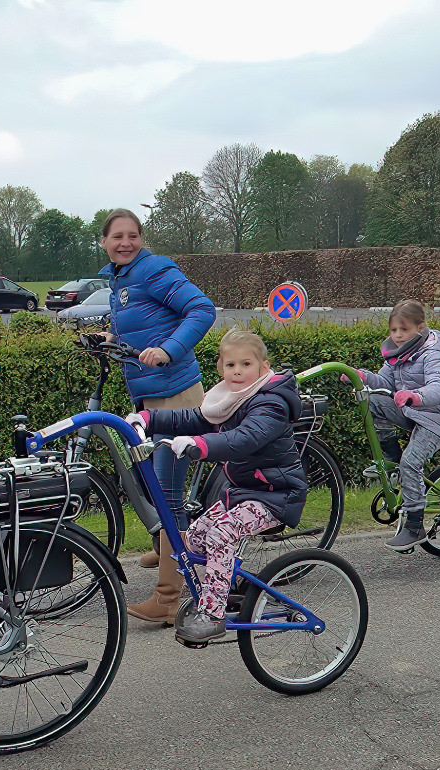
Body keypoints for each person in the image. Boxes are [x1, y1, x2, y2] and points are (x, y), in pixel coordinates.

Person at [127, 330, 307, 643]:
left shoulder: (271, 403)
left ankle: (212, 613)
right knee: (194, 538)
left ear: (264, 368)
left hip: (276, 494)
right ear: (220, 368)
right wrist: (148, 417)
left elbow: (243, 439)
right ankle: (235, 590)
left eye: (246, 364)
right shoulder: (229, 398)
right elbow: (193, 417)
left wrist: (200, 445)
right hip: (244, 491)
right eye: (230, 364)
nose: (237, 371)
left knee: (221, 534)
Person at [97, 208, 216, 625]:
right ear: (104, 242)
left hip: (175, 395)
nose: (125, 242)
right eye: (117, 237)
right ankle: (170, 543)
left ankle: (168, 597)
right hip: (149, 396)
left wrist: (169, 349)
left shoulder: (154, 269)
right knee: (156, 482)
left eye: (132, 236)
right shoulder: (120, 278)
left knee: (167, 494)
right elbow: (139, 319)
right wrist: (111, 336)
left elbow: (201, 310)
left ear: (141, 238)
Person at [353, 299, 440, 551]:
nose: (397, 335)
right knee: (373, 400)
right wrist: (362, 376)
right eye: (393, 330)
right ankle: (391, 457)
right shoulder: (398, 354)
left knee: (411, 463)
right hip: (416, 411)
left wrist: (416, 396)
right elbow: (384, 382)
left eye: (403, 329)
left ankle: (415, 526)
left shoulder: (434, 353)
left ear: (421, 327)